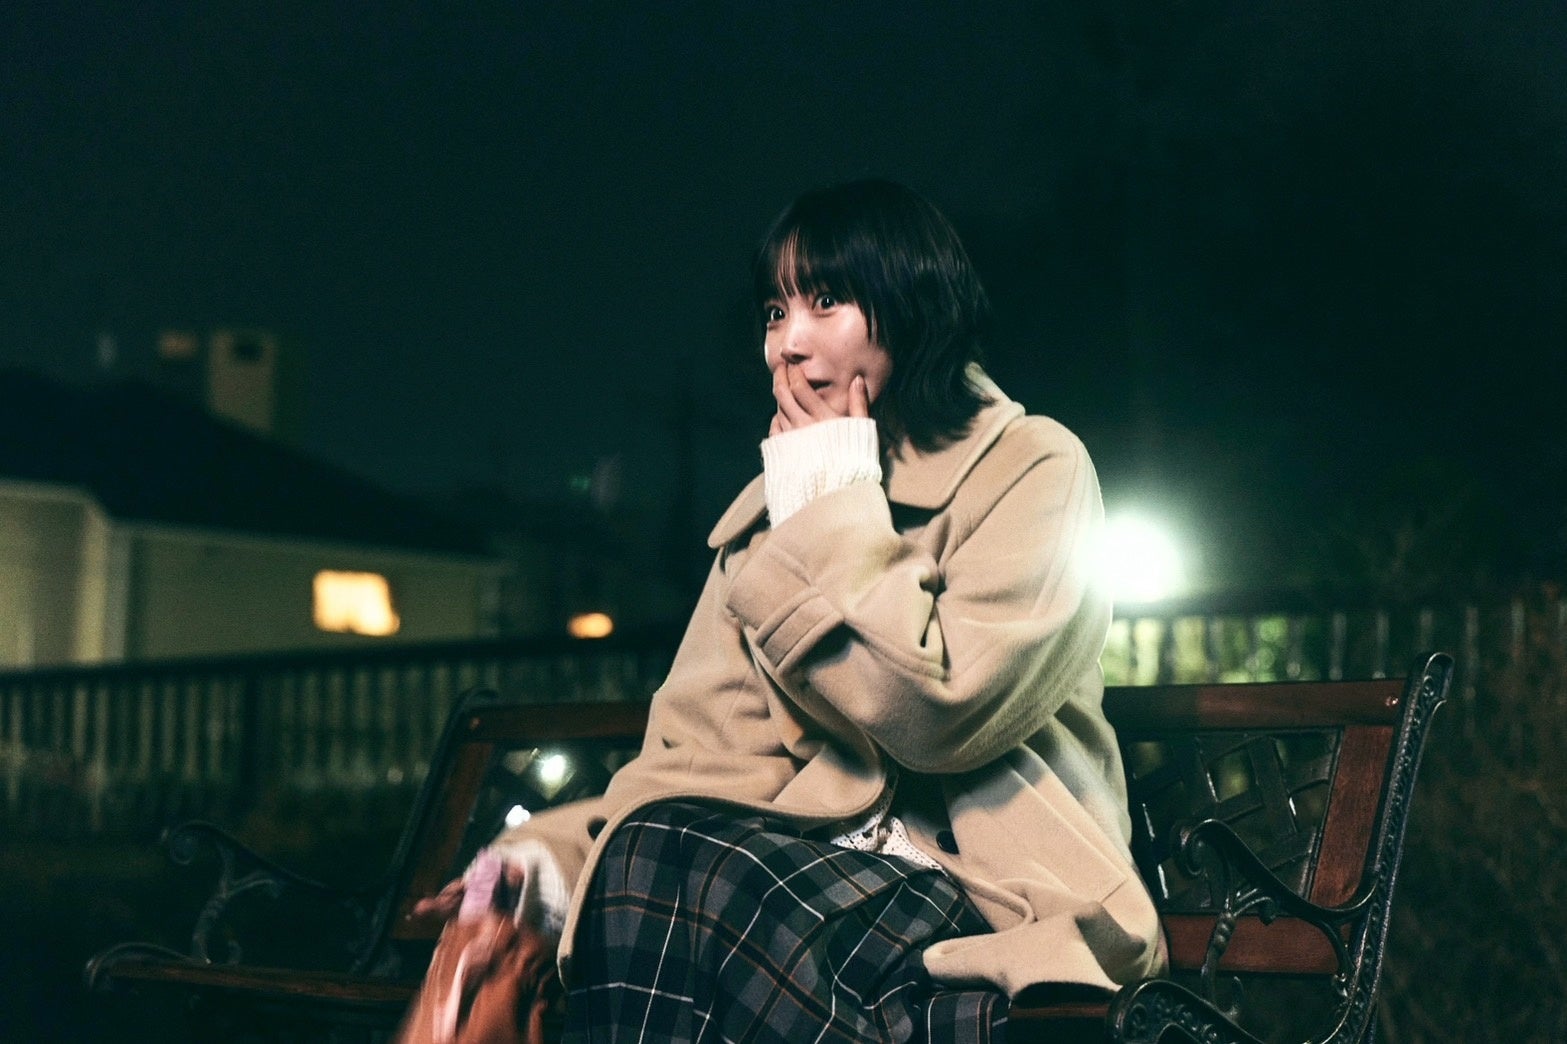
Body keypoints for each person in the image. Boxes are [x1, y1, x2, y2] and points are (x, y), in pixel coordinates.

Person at [424, 179, 1165, 1042]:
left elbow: (940, 718)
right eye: (774, 312)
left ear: (911, 303)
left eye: (825, 301)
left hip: (989, 891)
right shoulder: (764, 515)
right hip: (795, 880)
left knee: (695, 885)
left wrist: (831, 504)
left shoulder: (1032, 468)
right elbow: (694, 758)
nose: (787, 343)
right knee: (653, 857)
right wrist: (545, 862)